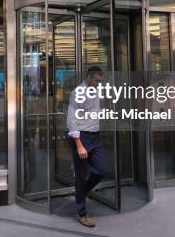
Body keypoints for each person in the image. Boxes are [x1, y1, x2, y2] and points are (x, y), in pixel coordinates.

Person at [66, 66, 106, 228]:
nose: (99, 83)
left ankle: (81, 193)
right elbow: (71, 120)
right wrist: (79, 145)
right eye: (97, 80)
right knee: (81, 176)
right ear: (89, 77)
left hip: (95, 136)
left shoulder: (96, 91)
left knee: (101, 170)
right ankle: (81, 213)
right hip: (81, 137)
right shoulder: (78, 93)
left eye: (100, 81)